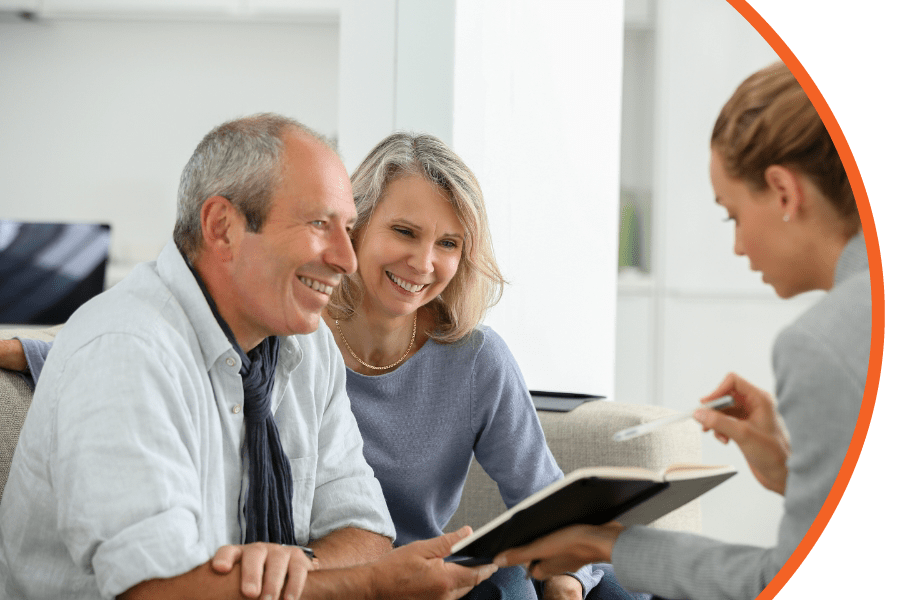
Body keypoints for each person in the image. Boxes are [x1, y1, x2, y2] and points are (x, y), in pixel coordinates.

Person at [0, 132, 637, 600]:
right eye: (320, 226)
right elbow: (145, 358)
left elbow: (368, 527)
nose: (344, 254)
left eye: (448, 243)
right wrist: (362, 584)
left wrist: (570, 583)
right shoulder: (134, 348)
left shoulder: (304, 349)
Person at [492, 61, 871, 600]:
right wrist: (791, 473)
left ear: (784, 192)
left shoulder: (818, 344)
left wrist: (608, 545)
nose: (738, 246)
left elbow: (775, 580)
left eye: (731, 214)